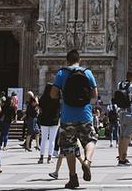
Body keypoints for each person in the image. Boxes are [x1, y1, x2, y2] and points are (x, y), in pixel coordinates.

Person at [53, 49, 98, 190]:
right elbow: (95, 94)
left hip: (67, 116)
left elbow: (53, 94)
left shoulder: (62, 72)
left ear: (67, 61)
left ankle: (73, 177)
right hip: (85, 114)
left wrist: (62, 96)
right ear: (80, 60)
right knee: (90, 140)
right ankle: (87, 161)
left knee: (69, 147)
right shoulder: (87, 72)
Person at [113, 70, 132, 166]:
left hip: (121, 113)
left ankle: (120, 158)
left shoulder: (120, 84)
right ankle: (123, 159)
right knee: (127, 137)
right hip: (131, 113)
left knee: (121, 136)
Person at [37, 82, 60, 165]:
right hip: (54, 120)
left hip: (44, 120)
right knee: (52, 140)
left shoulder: (42, 98)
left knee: (43, 139)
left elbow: (39, 108)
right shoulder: (56, 98)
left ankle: (41, 157)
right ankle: (49, 157)